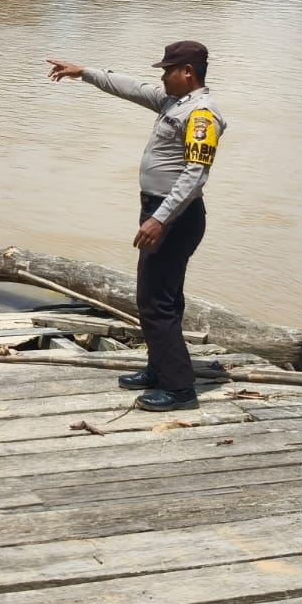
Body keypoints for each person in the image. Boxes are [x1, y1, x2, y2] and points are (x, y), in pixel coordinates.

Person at [47, 41, 224, 411]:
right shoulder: (172, 102)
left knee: (154, 302)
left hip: (174, 216)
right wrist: (85, 73)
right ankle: (159, 368)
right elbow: (131, 87)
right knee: (166, 298)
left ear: (187, 72)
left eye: (167, 70)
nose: (161, 77)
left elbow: (195, 175)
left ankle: (179, 389)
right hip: (161, 212)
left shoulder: (202, 115)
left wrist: (159, 219)